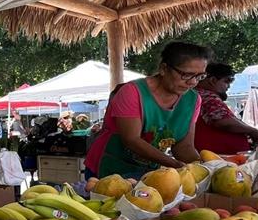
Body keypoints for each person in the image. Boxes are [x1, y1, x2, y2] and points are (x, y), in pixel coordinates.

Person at [84, 42, 211, 178]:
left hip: (148, 171)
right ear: (163, 69)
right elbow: (131, 140)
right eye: (186, 74)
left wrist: (204, 168)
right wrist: (175, 165)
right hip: (109, 167)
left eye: (199, 76)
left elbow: (184, 147)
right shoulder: (132, 92)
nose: (193, 82)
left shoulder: (193, 100)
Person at [194, 64, 258, 154]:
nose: (228, 86)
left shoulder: (198, 95)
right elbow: (223, 121)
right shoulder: (207, 97)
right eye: (227, 81)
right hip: (218, 157)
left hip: (216, 156)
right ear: (213, 80)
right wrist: (253, 131)